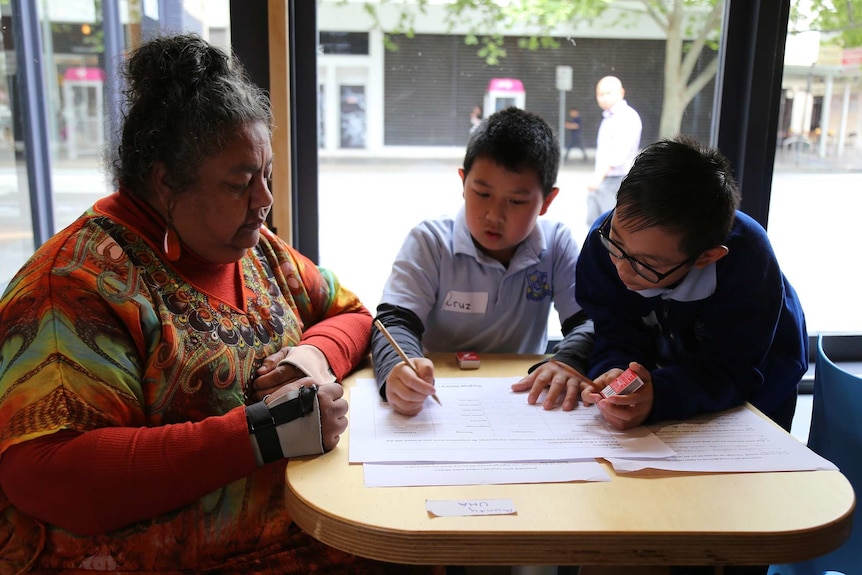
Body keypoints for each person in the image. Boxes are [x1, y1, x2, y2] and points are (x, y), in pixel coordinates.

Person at [0, 34, 439, 575]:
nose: (265, 201)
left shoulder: (250, 250)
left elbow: (350, 314)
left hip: (302, 540)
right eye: (241, 183)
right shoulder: (73, 285)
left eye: (267, 176)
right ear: (165, 183)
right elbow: (47, 475)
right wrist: (265, 432)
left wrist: (311, 359)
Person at [576, 135, 808, 437]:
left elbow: (735, 369)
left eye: (646, 264)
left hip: (761, 383)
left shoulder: (747, 259)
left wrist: (660, 395)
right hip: (677, 374)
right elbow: (613, 330)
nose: (621, 268)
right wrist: (615, 371)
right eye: (616, 243)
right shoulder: (602, 240)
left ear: (706, 256)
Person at [371, 106, 594, 417]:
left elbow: (589, 321)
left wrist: (568, 360)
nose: (494, 216)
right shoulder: (430, 241)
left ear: (548, 201)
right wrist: (399, 367)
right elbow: (392, 323)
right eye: (482, 193)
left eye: (516, 201)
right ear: (463, 183)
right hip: (438, 397)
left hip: (523, 401)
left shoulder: (556, 244)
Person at [586, 75, 642, 226]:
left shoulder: (626, 116)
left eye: (608, 93)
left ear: (621, 92)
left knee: (608, 227)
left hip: (615, 180)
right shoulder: (609, 117)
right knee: (597, 226)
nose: (604, 98)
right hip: (607, 179)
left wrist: (599, 176)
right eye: (600, 94)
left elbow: (619, 154)